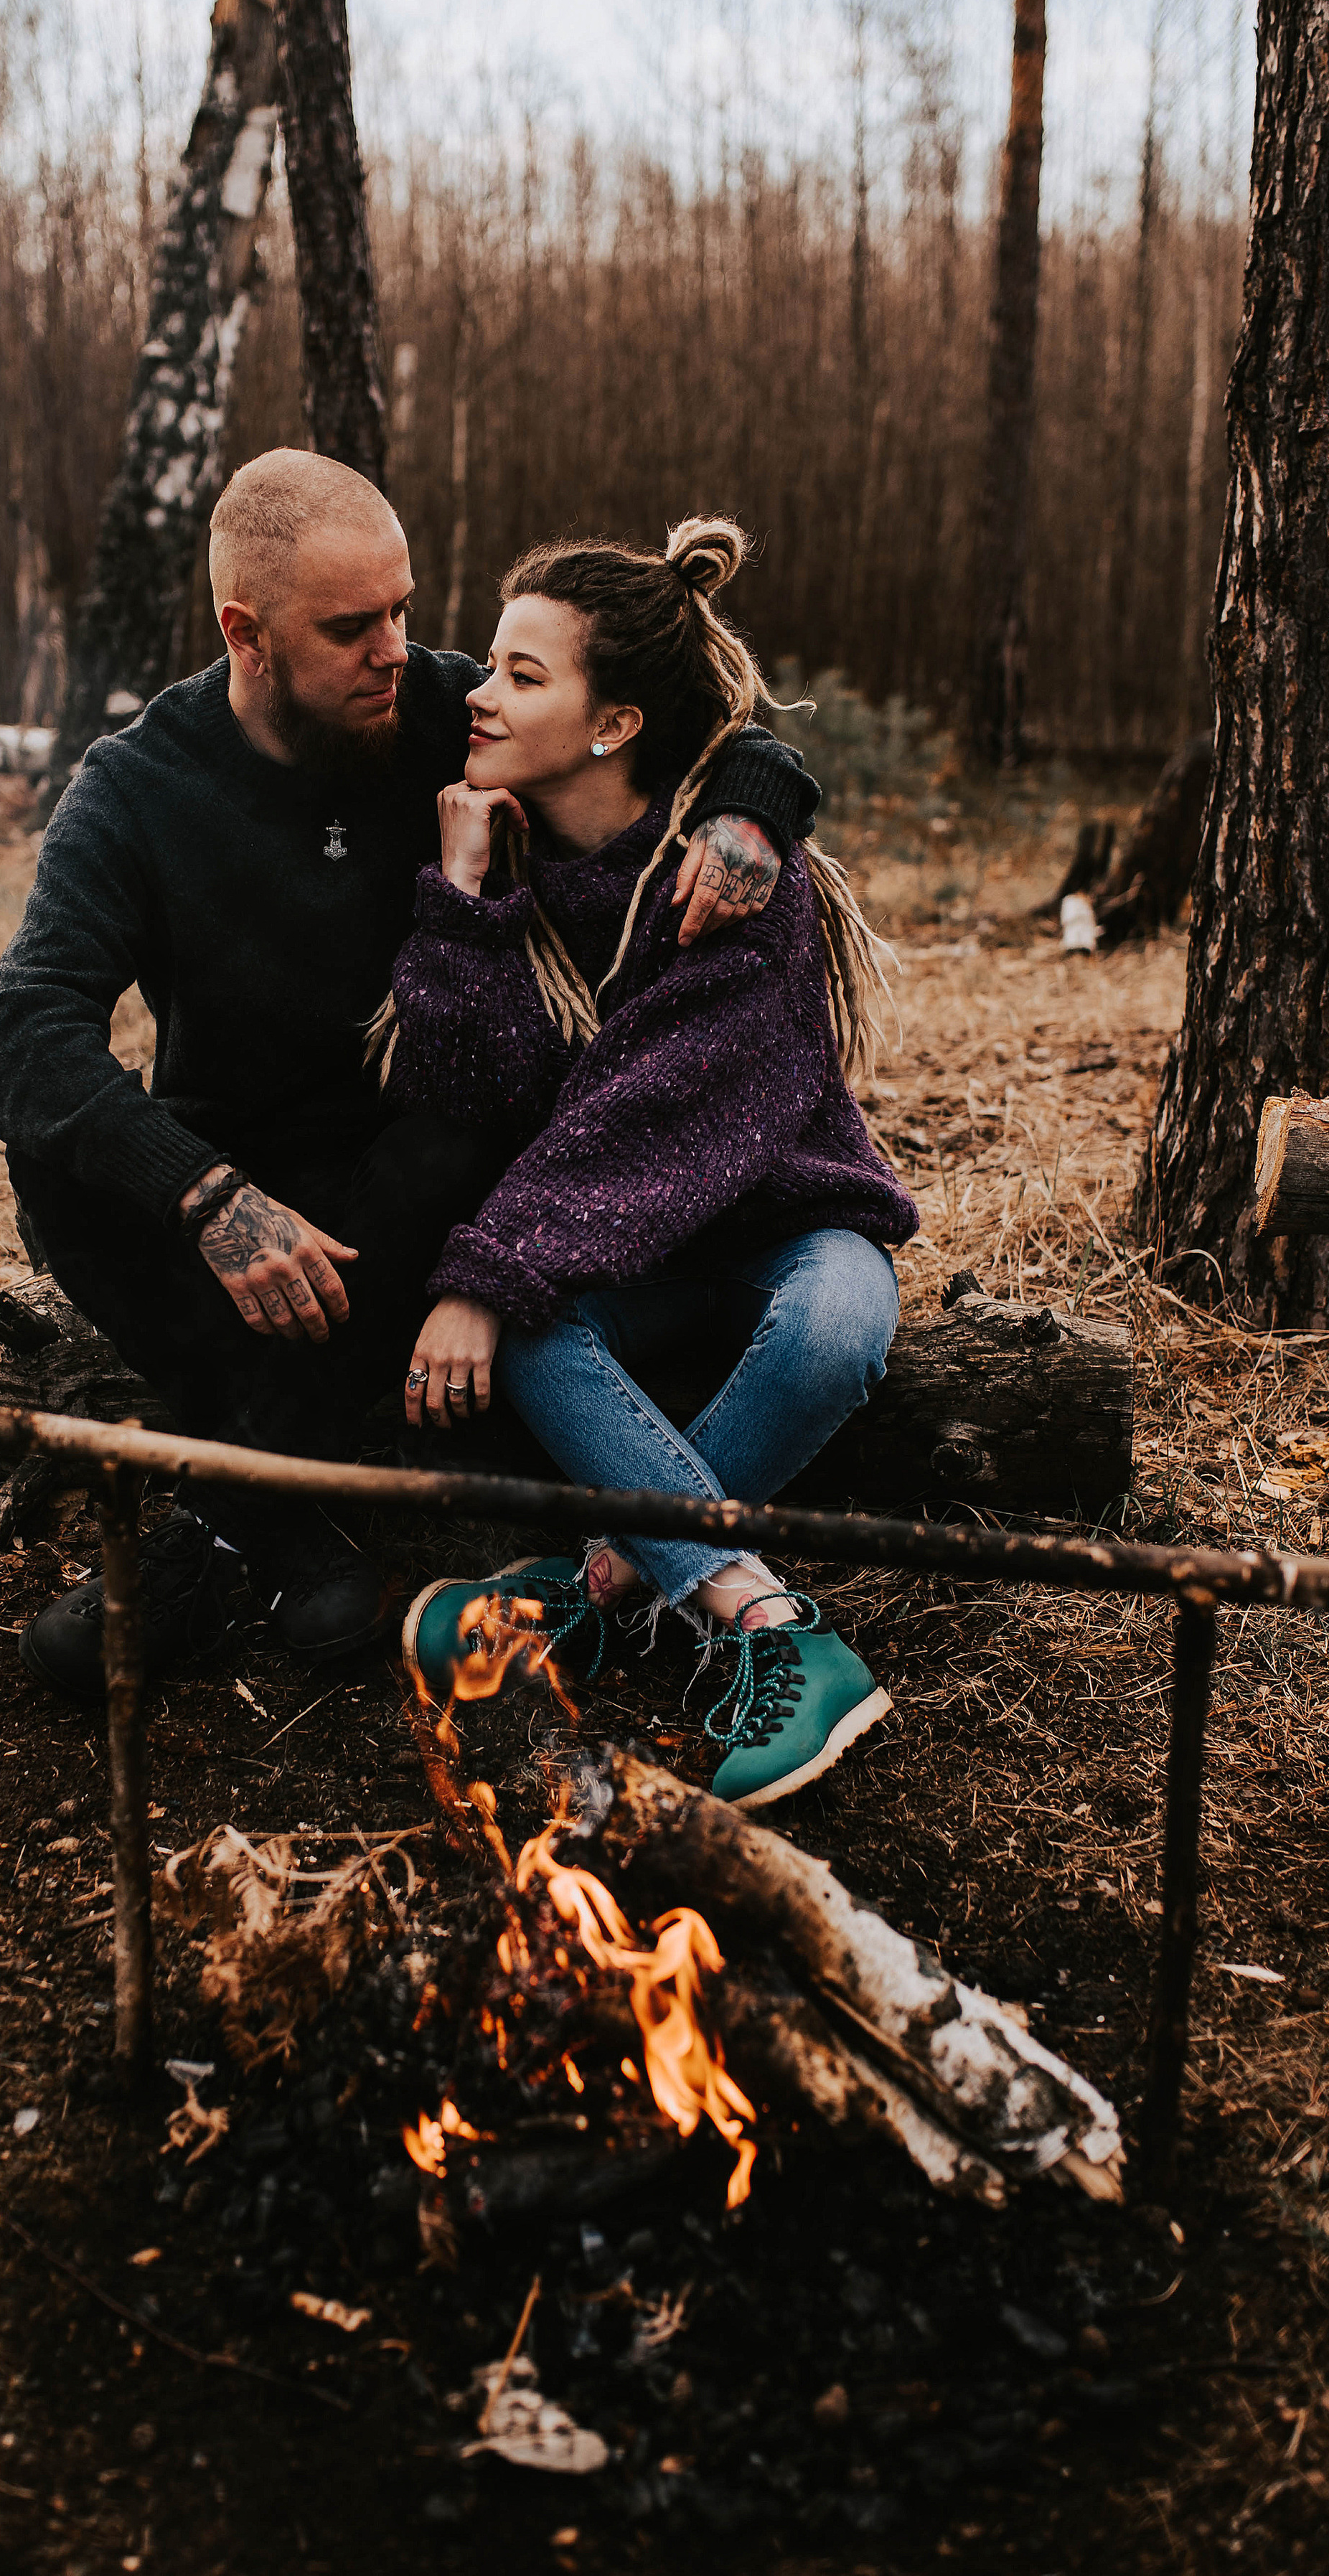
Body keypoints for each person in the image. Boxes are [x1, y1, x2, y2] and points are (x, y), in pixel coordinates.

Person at [0, 452, 821, 1703]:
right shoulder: (136, 788)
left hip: (421, 1174)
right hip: (234, 1177)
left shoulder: (435, 706)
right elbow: (26, 1027)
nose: (397, 649)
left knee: (458, 1128)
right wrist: (207, 1198)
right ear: (244, 635)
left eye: (404, 610)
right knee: (52, 1163)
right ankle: (278, 1524)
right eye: (350, 626)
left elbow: (697, 720)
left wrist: (752, 807)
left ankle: (224, 1519)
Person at [388, 517, 919, 1810]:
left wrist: (486, 1269)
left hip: (783, 1224)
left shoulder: (738, 881)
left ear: (613, 723)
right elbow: (473, 1097)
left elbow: (652, 1117)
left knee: (837, 1326)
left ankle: (593, 1591)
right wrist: (463, 901)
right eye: (490, 666)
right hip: (625, 1254)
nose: (478, 691)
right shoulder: (508, 861)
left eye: (523, 674)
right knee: (531, 1334)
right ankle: (764, 1619)